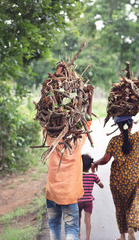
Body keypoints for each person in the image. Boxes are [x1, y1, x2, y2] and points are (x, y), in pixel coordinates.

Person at [43, 85, 94, 240]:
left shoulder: (51, 140)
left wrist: (47, 95)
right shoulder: (77, 142)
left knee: (54, 225)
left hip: (52, 193)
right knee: (71, 227)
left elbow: (44, 121)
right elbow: (88, 120)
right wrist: (90, 98)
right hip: (70, 195)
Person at [91, 110, 139, 240]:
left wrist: (95, 163)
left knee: (120, 206)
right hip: (134, 177)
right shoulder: (138, 137)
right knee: (135, 201)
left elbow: (105, 160)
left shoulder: (114, 141)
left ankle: (122, 236)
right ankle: (132, 225)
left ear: (118, 126)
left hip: (117, 180)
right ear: (132, 125)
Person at [78, 154, 104, 240]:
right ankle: (87, 238)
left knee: (78, 219)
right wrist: (99, 182)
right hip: (88, 201)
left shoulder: (77, 176)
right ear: (90, 165)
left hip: (78, 201)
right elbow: (101, 186)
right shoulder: (93, 176)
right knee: (87, 220)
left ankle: (78, 236)